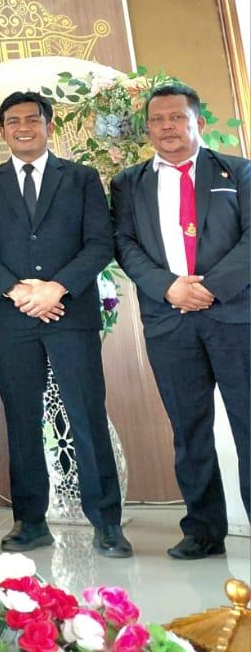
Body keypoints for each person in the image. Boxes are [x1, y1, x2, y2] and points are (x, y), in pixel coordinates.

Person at [0, 91, 130, 558]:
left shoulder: (81, 178)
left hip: (70, 313)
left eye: (32, 119)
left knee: (86, 414)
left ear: (49, 126)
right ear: (2, 130)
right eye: (13, 121)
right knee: (22, 419)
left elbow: (99, 243)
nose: (23, 127)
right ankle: (30, 521)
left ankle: (107, 523)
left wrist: (56, 288)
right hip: (13, 316)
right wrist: (16, 290)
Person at [111, 82, 250, 561]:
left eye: (176, 117)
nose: (166, 127)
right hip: (169, 320)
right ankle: (203, 530)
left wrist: (211, 287)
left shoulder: (238, 171)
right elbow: (124, 243)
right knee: (189, 429)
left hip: (235, 316)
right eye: (157, 120)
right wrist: (169, 286)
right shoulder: (129, 183)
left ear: (199, 122)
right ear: (147, 128)